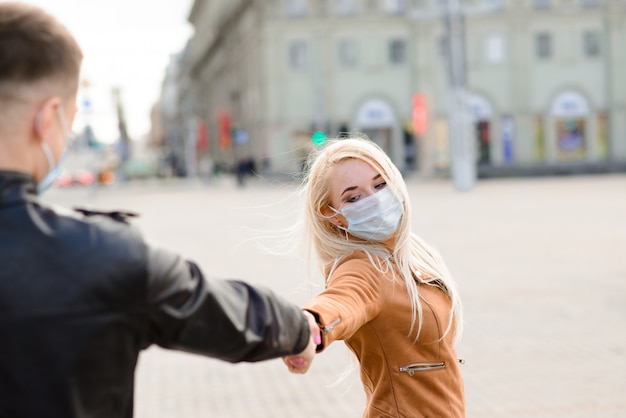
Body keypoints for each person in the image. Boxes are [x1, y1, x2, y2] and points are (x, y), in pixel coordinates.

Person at [0, 3, 319, 417]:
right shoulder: (98, 257)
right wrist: (299, 329)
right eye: (71, 121)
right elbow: (219, 308)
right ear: (48, 119)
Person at [283, 136, 465, 417]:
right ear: (333, 216)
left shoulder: (414, 253)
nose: (376, 200)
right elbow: (341, 300)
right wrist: (309, 327)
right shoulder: (361, 266)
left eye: (380, 185)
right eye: (353, 197)